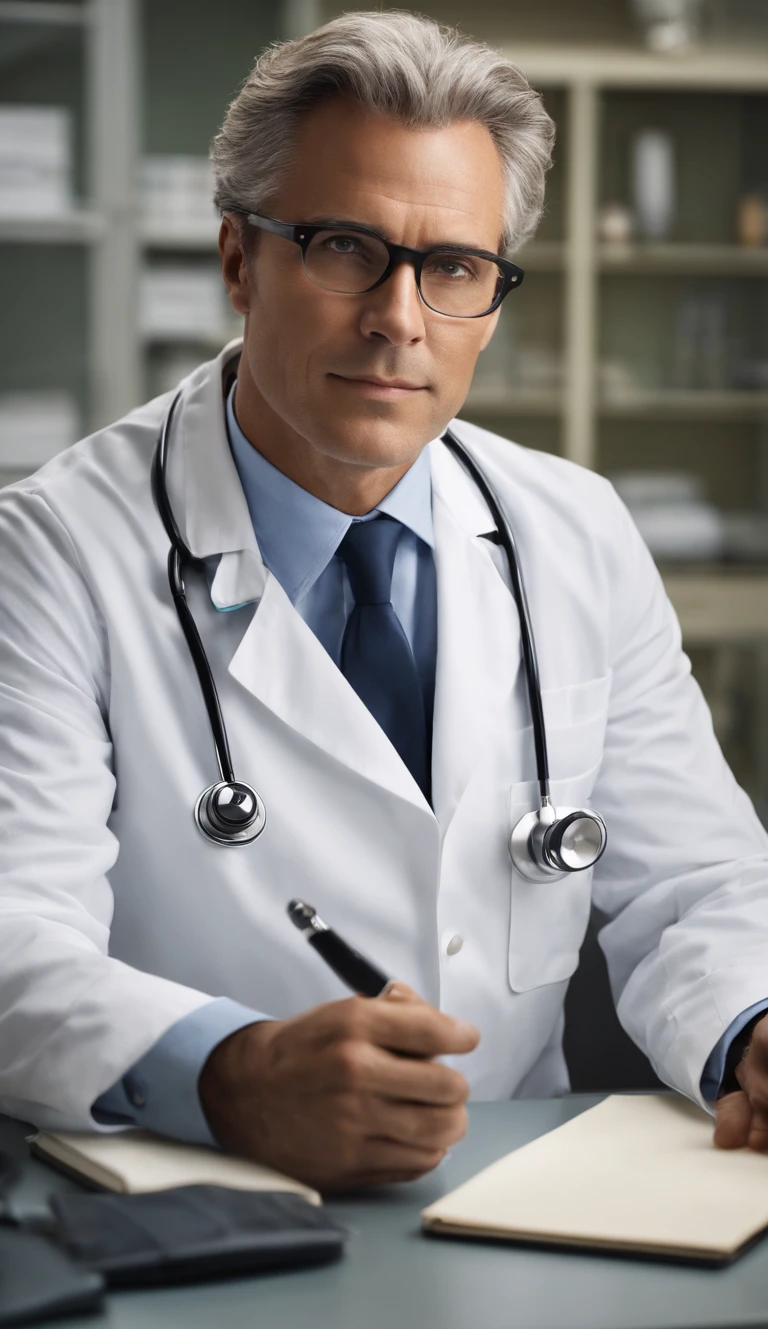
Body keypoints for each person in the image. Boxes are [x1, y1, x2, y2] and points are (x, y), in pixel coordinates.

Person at [1, 10, 767, 1193]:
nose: (399, 319)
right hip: (194, 1208)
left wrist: (751, 1027)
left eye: (454, 267)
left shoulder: (574, 530)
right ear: (237, 259)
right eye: (345, 247)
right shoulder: (54, 551)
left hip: (534, 1211)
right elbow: (13, 939)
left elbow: (696, 885)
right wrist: (230, 1073)